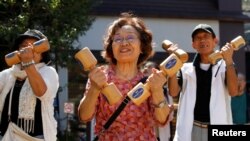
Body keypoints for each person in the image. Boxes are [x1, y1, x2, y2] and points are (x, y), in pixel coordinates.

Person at [78, 12, 172, 141]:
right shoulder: (100, 77)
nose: (124, 43)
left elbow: (162, 120)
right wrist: (94, 88)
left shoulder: (150, 80)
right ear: (111, 48)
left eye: (130, 37)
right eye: (117, 39)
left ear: (142, 47)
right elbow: (84, 116)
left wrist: (157, 91)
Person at [168, 24, 238, 141]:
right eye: (198, 38)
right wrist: (173, 63)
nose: (202, 40)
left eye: (206, 36)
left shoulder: (226, 66)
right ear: (193, 44)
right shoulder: (185, 68)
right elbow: (173, 92)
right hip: (191, 129)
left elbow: (233, 92)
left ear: (215, 41)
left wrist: (229, 60)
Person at [0, 29, 59, 141]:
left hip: (37, 138)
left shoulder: (48, 72)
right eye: (24, 46)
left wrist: (28, 63)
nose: (28, 50)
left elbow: (41, 92)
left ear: (42, 54)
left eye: (33, 47)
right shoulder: (9, 74)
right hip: (7, 136)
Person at [143, 61, 174, 141]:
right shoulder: (139, 90)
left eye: (149, 67)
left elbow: (170, 115)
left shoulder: (165, 91)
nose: (146, 69)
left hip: (160, 134)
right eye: (145, 66)